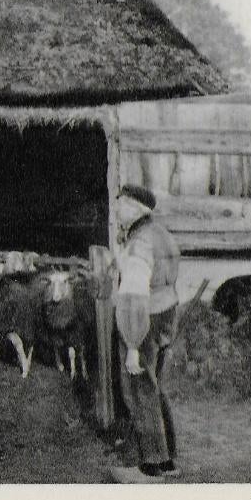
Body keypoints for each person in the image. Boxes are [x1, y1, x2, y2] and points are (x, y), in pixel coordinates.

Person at [109, 184, 182, 484]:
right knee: (154, 388)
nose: (117, 210)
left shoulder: (139, 243)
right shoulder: (161, 234)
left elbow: (134, 297)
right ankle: (167, 460)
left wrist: (132, 343)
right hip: (166, 313)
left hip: (144, 319)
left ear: (136, 209)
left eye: (122, 205)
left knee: (138, 390)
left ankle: (150, 466)